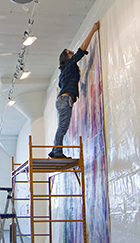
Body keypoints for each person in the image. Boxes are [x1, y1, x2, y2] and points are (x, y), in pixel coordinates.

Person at [48, 21, 100, 159]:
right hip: (65, 100)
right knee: (63, 128)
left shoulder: (63, 72)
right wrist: (93, 30)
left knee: (62, 127)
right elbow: (82, 50)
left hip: (62, 100)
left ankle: (55, 150)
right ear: (67, 57)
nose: (72, 53)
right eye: (70, 53)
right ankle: (57, 152)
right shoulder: (70, 64)